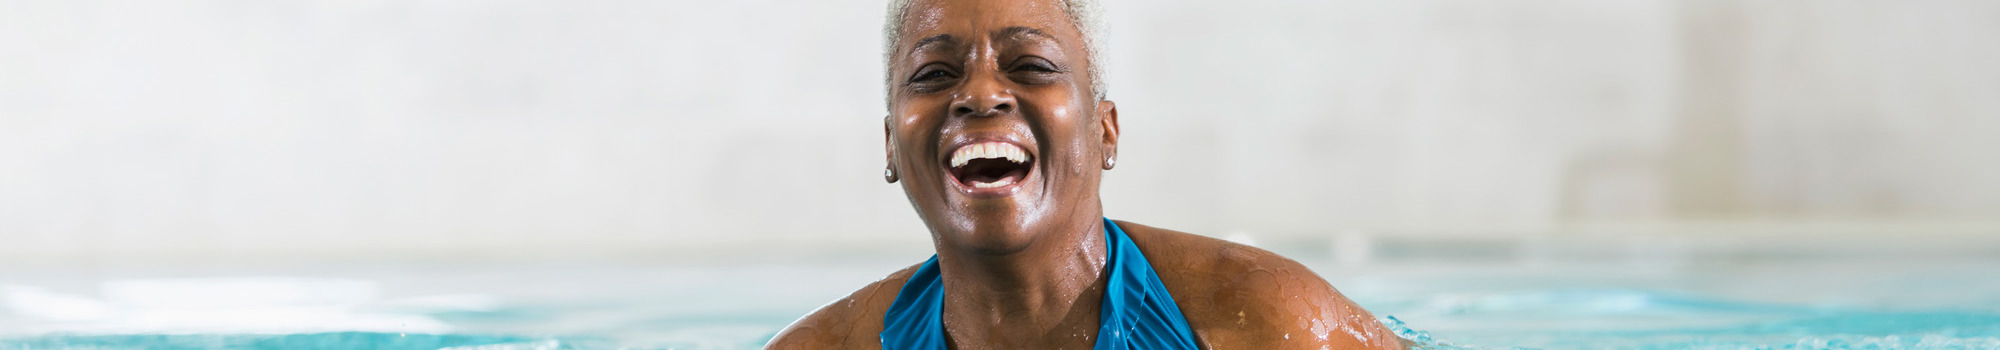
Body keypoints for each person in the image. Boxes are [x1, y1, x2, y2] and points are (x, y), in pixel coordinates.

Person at [767, 0, 1406, 348]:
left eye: (1031, 66)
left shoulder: (1264, 322)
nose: (981, 95)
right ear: (889, 144)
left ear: (1105, 131)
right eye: (935, 74)